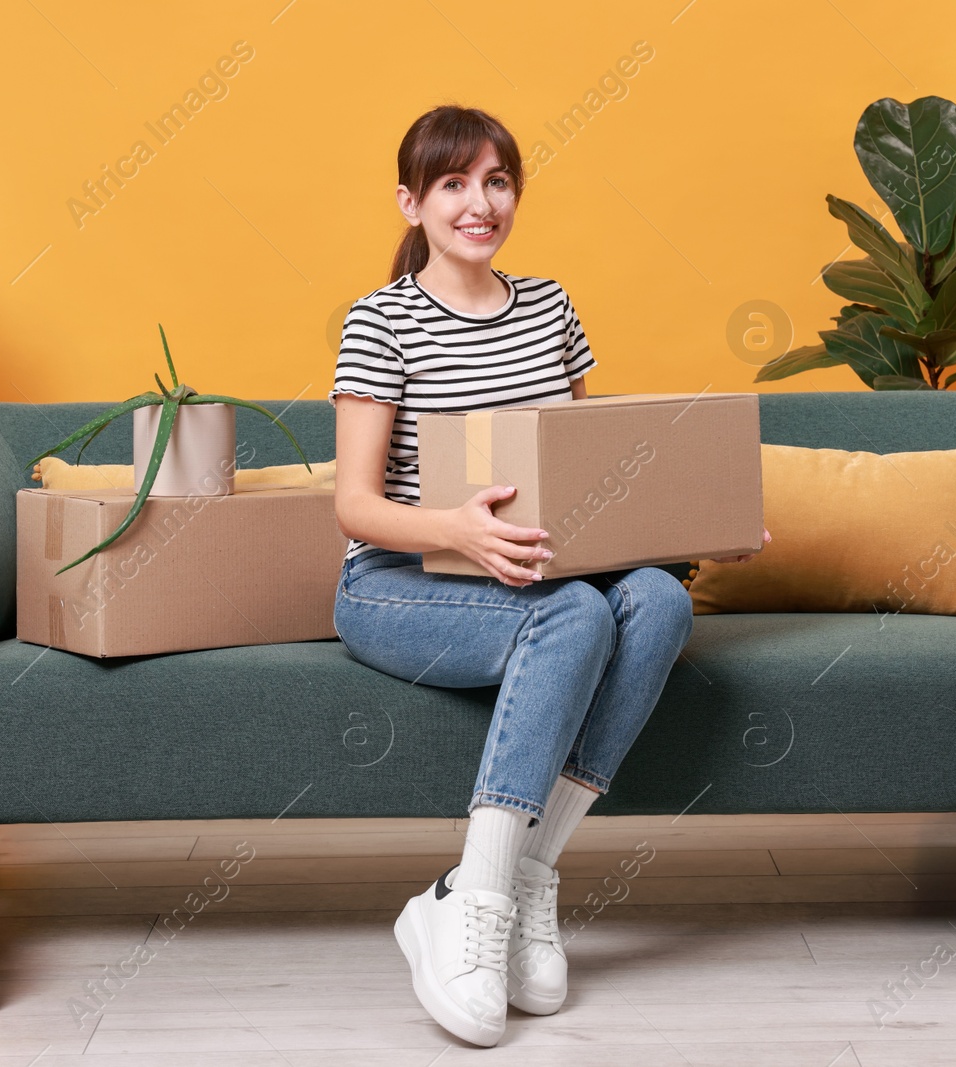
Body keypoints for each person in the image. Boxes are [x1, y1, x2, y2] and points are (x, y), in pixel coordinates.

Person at [328, 104, 768, 1047]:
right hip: (398, 579)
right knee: (570, 612)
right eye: (452, 184)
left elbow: (582, 470)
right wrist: (455, 527)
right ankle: (476, 900)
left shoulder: (551, 309)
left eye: (496, 181)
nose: (477, 203)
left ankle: (521, 882)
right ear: (412, 201)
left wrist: (685, 522)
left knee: (653, 597)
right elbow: (355, 507)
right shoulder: (381, 320)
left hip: (527, 572)